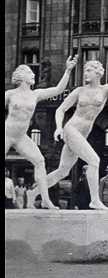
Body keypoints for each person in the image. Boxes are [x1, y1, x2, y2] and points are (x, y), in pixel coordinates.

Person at [31, 46, 108, 211]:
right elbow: (60, 109)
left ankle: (32, 194)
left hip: (82, 133)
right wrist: (58, 128)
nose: (85, 73)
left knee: (62, 171)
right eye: (85, 70)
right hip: (71, 129)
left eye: (89, 70)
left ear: (99, 73)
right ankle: (95, 200)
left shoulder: (104, 90)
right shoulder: (79, 91)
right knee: (94, 161)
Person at [5, 54, 77, 209]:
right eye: (30, 73)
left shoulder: (35, 95)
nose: (34, 75)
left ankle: (45, 199)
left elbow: (59, 89)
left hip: (21, 137)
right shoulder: (10, 95)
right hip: (6, 134)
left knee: (40, 161)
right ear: (21, 76)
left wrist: (68, 70)